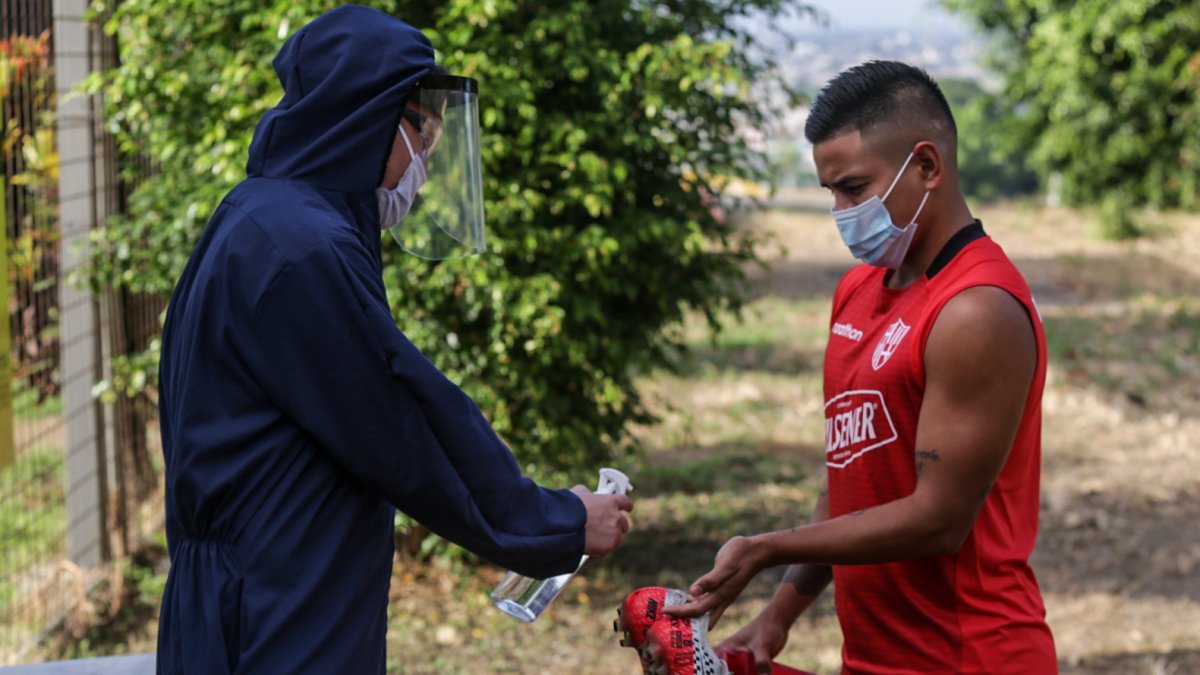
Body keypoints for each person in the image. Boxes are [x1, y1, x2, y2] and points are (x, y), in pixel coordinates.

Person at [155, 5, 632, 673]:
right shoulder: (299, 249)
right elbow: (402, 422)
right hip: (274, 605)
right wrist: (555, 521)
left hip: (266, 586)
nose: (426, 169)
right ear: (366, 118)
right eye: (422, 139)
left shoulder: (264, 217)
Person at [666, 61, 1058, 673]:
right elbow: (855, 478)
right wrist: (777, 618)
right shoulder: (857, 290)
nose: (841, 212)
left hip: (968, 656)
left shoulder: (976, 310)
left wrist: (766, 548)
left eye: (854, 188)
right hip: (873, 656)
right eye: (831, 193)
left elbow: (938, 521)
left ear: (927, 166)